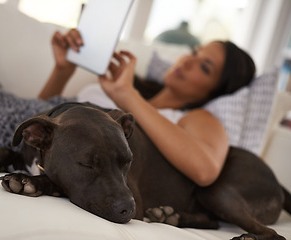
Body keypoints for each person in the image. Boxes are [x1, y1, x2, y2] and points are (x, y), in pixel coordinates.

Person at [38, 29, 256, 187]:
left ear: (217, 90)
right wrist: (62, 71)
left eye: (205, 67)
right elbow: (39, 120)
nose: (188, 61)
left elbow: (205, 170)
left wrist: (127, 96)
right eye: (195, 52)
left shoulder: (196, 118)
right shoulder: (120, 83)